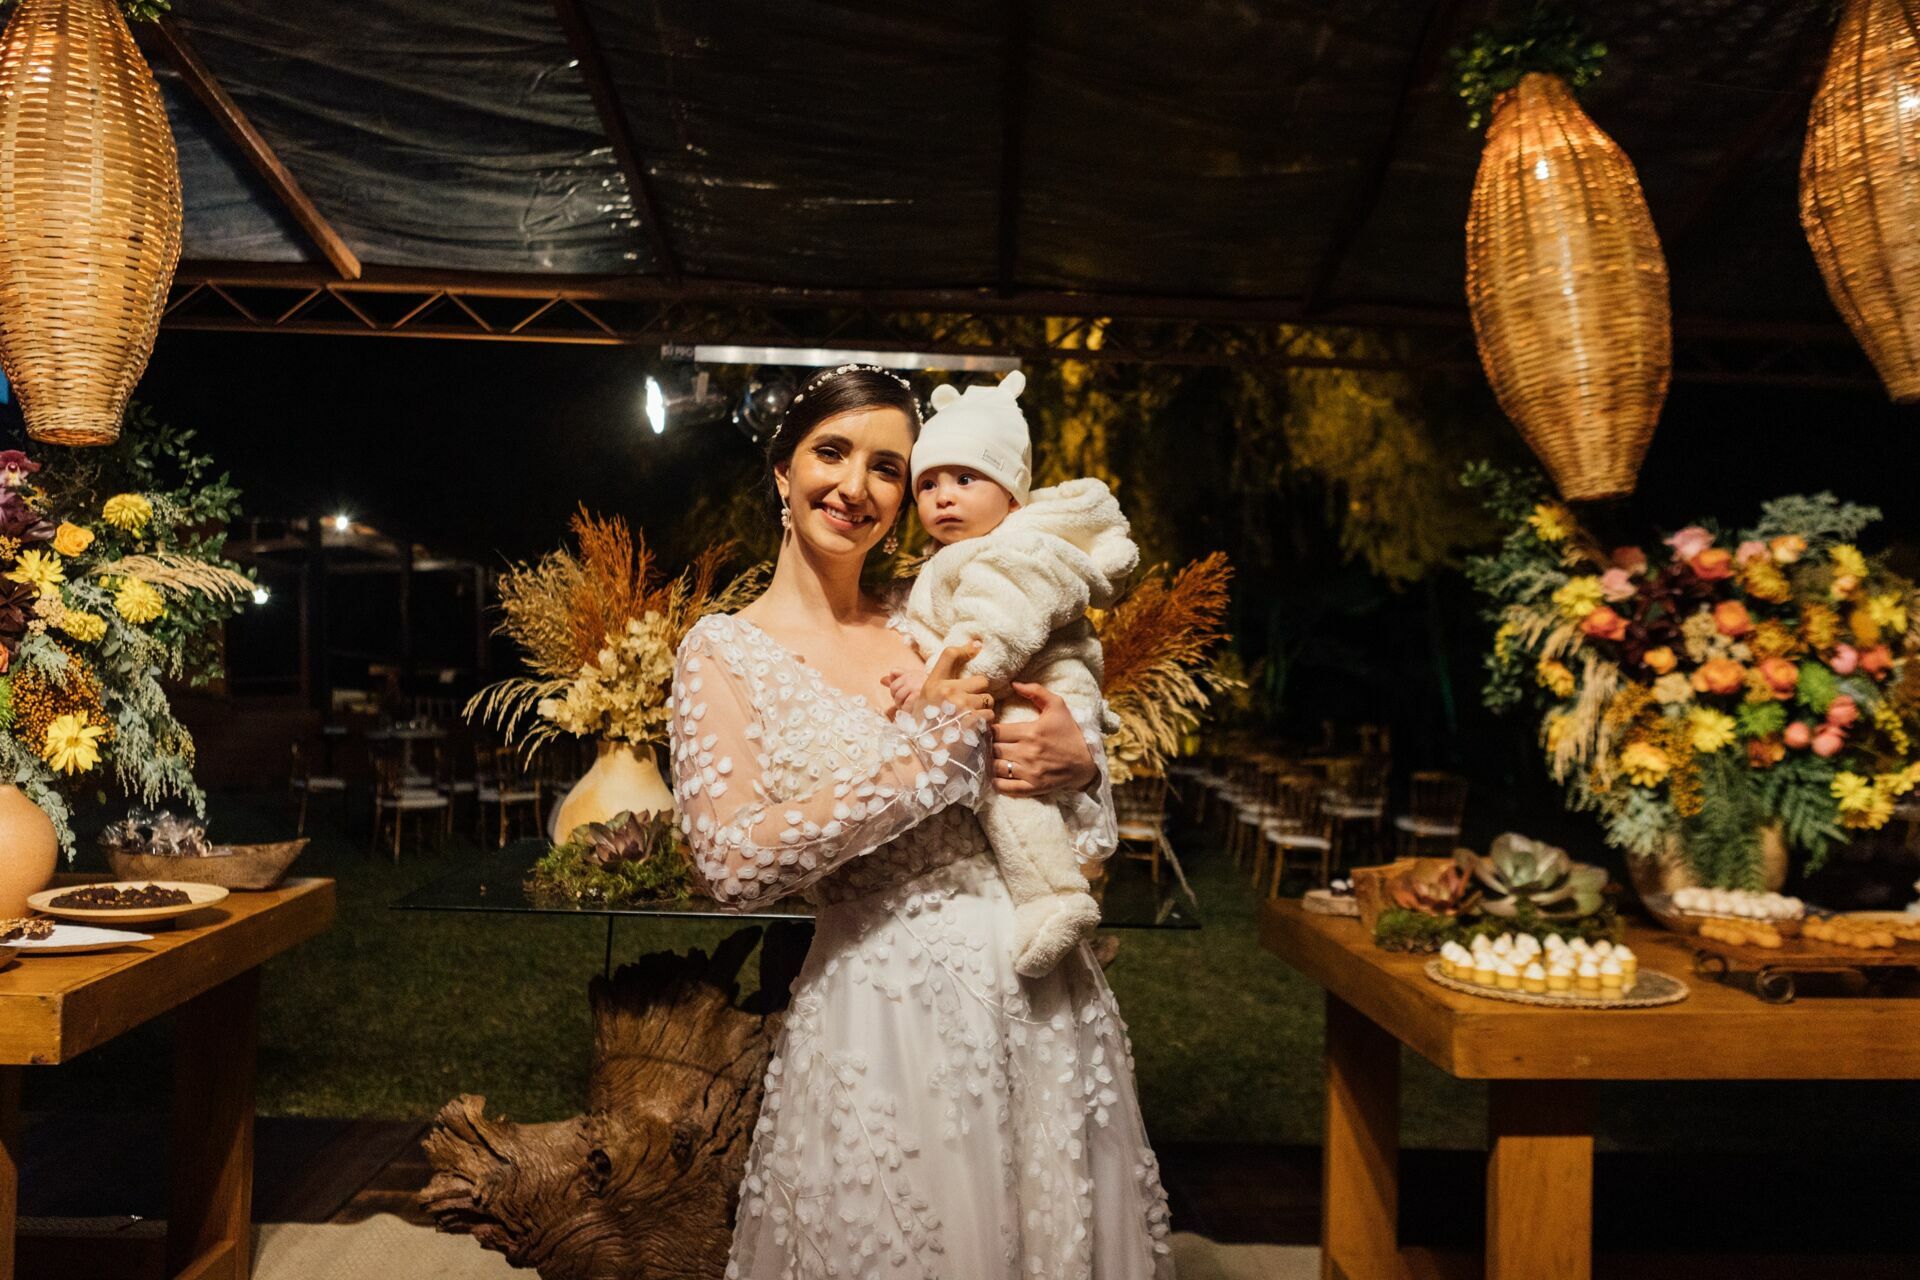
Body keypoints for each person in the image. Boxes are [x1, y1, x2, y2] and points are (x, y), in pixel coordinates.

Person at [668, 364, 1174, 1279]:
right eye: (833, 452)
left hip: (1039, 994)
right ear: (782, 471)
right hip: (878, 1016)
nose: (856, 487)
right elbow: (730, 865)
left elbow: (1087, 835)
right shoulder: (722, 651)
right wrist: (928, 759)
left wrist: (1079, 763)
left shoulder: (934, 615)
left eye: (889, 468)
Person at [886, 369, 1138, 978]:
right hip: (915, 914)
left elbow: (992, 634)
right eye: (928, 485)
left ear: (1014, 497)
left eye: (966, 478)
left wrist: (931, 682)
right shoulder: (958, 557)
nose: (943, 496)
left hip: (1033, 690)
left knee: (1009, 786)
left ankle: (1054, 897)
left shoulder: (1014, 551)